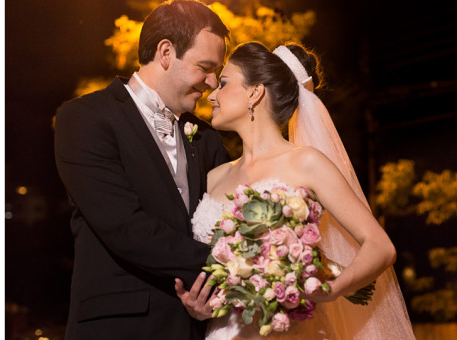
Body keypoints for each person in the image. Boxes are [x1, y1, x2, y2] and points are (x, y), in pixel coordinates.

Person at [184, 42, 417, 339]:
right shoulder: (215, 177)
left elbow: (380, 246)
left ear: (255, 93)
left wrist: (332, 289)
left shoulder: (306, 162)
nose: (212, 94)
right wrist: (199, 305)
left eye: (225, 83)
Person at [54, 1, 230, 338]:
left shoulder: (207, 139)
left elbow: (222, 221)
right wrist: (231, 267)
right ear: (166, 52)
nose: (212, 82)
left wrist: (213, 293)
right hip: (119, 324)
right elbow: (123, 225)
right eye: (205, 67)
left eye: (217, 71)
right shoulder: (85, 118)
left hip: (193, 326)